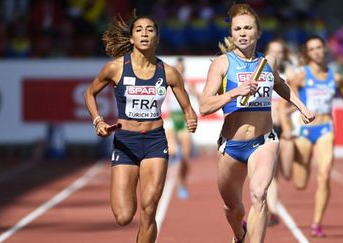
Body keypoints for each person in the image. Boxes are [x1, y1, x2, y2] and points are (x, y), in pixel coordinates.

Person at [199, 4, 314, 243]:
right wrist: (235, 92)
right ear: (231, 34)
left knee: (259, 194)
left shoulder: (268, 62)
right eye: (237, 28)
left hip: (263, 142)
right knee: (232, 208)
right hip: (230, 146)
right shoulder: (222, 64)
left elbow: (281, 86)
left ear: (258, 32)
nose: (242, 32)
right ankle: (239, 233)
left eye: (247, 28)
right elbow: (204, 106)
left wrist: (302, 107)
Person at [83, 11, 197, 243]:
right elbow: (90, 93)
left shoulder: (169, 72)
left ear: (156, 38)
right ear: (132, 38)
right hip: (125, 143)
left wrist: (190, 117)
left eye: (150, 30)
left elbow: (187, 106)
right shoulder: (115, 68)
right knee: (124, 216)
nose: (145, 33)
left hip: (155, 142)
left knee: (149, 211)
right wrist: (98, 120)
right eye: (139, 30)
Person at [288, 35, 343, 237]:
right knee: (300, 184)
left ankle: (316, 223)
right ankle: (299, 165)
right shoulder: (302, 75)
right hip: (305, 131)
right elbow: (289, 92)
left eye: (319, 47)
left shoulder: (335, 77)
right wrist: (295, 110)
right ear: (307, 54)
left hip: (325, 129)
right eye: (312, 49)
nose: (317, 52)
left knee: (324, 175)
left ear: (325, 50)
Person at [264, 39, 299, 226]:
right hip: (267, 128)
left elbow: (298, 100)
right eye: (273, 51)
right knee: (271, 172)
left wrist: (283, 111)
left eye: (279, 52)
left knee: (286, 172)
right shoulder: (261, 71)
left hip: (285, 128)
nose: (276, 55)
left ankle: (298, 158)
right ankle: (273, 211)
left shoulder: (289, 73)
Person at [164, 56, 199, 199]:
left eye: (182, 68)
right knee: (172, 150)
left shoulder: (188, 84)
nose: (180, 70)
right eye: (177, 68)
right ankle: (170, 160)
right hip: (172, 119)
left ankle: (182, 183)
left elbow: (200, 99)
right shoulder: (167, 83)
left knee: (185, 158)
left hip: (184, 121)